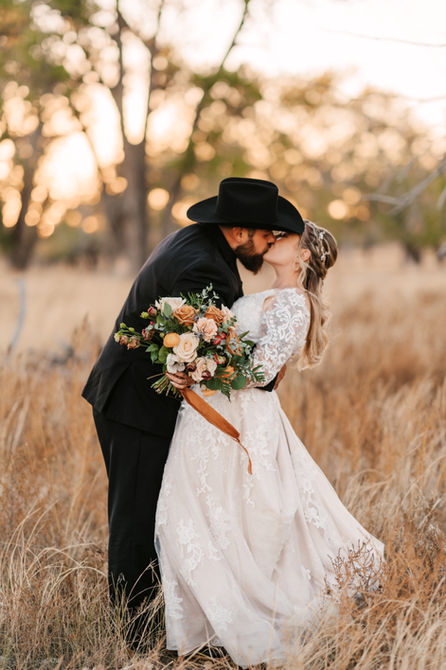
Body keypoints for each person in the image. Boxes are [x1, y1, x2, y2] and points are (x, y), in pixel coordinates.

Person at [81, 177, 304, 645]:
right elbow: (216, 357)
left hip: (139, 400)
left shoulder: (202, 243)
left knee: (154, 513)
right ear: (241, 230)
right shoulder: (201, 267)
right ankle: (136, 639)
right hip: (135, 407)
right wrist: (266, 370)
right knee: (136, 519)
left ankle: (165, 623)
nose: (269, 244)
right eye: (267, 234)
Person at [156, 220, 385, 667]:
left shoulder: (295, 304)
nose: (275, 237)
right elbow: (234, 350)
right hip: (207, 415)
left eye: (288, 237)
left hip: (242, 421)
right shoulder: (258, 294)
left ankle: (240, 624)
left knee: (231, 518)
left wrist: (203, 364)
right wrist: (185, 361)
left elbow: (259, 374)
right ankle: (200, 632)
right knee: (185, 515)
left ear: (304, 257)